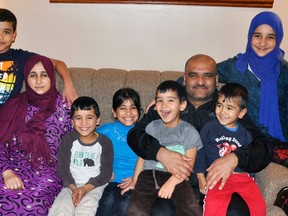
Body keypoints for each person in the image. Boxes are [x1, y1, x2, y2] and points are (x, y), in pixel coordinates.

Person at [128, 54, 272, 215]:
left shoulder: (228, 110)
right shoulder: (167, 108)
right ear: (184, 79)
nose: (200, 81)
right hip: (170, 182)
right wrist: (160, 153)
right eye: (193, 75)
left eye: (208, 76)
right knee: (161, 210)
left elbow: (263, 146)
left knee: (236, 211)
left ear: (216, 80)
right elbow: (135, 135)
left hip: (216, 185)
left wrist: (235, 157)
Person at [0, 55, 73, 215]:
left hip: (47, 174)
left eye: (44, 74)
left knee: (33, 207)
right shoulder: (14, 105)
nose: (38, 80)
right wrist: (7, 172)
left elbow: (80, 142)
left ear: (51, 77)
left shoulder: (66, 107)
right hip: (10, 168)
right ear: (26, 78)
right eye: (33, 75)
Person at [217, 11, 288, 167]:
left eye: (270, 37)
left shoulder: (284, 71)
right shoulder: (235, 66)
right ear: (250, 36)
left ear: (278, 39)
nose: (262, 43)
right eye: (257, 35)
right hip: (247, 138)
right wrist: (174, 90)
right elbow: (203, 73)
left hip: (278, 140)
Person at [126, 80, 203, 216]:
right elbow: (142, 157)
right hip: (148, 176)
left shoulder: (189, 132)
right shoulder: (151, 127)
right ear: (154, 106)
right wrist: (134, 181)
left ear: (183, 105)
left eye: (170, 100)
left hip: (177, 178)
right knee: (135, 210)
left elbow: (188, 166)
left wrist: (171, 183)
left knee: (190, 208)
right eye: (160, 101)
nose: (164, 105)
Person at [195, 83, 266, 216]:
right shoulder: (209, 128)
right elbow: (199, 153)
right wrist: (200, 177)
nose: (222, 111)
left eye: (229, 108)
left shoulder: (245, 134)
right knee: (213, 204)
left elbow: (249, 159)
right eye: (219, 105)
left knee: (258, 205)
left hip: (243, 178)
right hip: (217, 177)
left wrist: (251, 179)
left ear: (241, 113)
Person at [49, 96, 113, 216]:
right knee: (60, 209)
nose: (84, 123)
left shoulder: (105, 143)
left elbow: (106, 174)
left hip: (94, 186)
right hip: (71, 185)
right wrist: (74, 189)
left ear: (98, 120)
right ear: (72, 122)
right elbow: (62, 169)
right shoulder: (68, 140)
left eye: (89, 118)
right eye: (78, 118)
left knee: (85, 211)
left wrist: (85, 189)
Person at [0, 8, 77, 107]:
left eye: (6, 32)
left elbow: (58, 63)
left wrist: (68, 85)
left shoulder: (21, 57)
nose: (0, 37)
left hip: (7, 118)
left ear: (13, 36)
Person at [95, 88, 142, 216]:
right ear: (114, 112)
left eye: (133, 107)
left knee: (125, 204)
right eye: (122, 108)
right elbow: (87, 145)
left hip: (136, 181)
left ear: (138, 111)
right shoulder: (107, 130)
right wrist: (103, 169)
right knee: (107, 200)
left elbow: (151, 159)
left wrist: (136, 178)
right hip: (113, 181)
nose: (128, 112)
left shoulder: (144, 132)